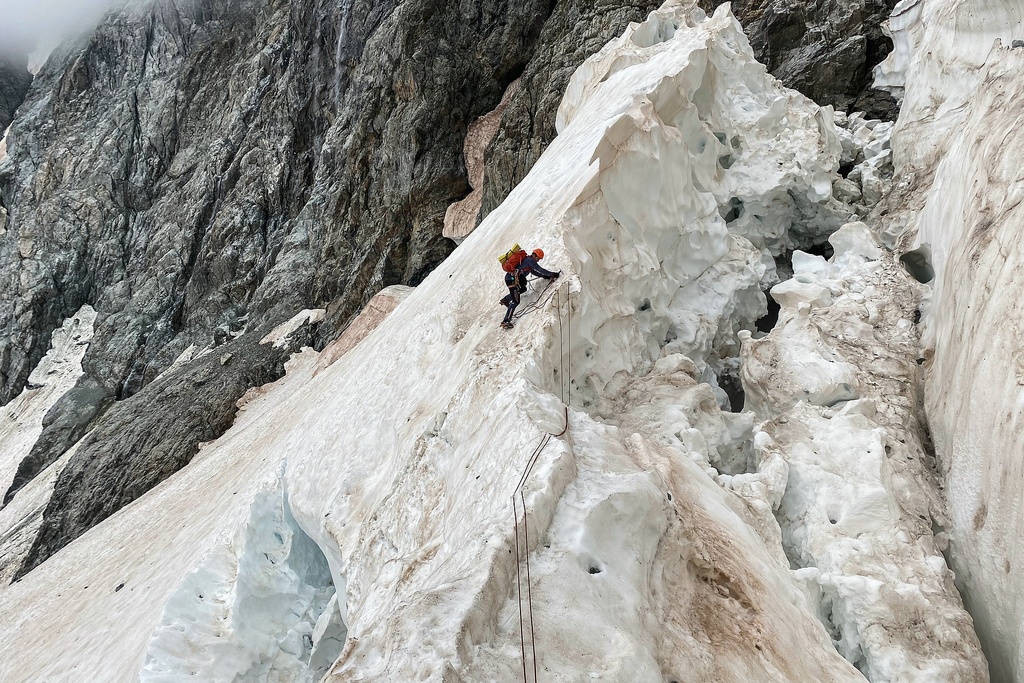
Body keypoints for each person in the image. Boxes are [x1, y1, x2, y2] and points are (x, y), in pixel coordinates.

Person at [500, 248, 559, 329]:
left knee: (523, 289)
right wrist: (553, 274)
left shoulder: (528, 262)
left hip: (512, 280)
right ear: (534, 255)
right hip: (512, 281)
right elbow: (540, 269)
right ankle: (506, 321)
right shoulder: (529, 261)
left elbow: (535, 272)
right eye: (538, 258)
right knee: (515, 301)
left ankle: (506, 299)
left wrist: (546, 276)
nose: (538, 260)